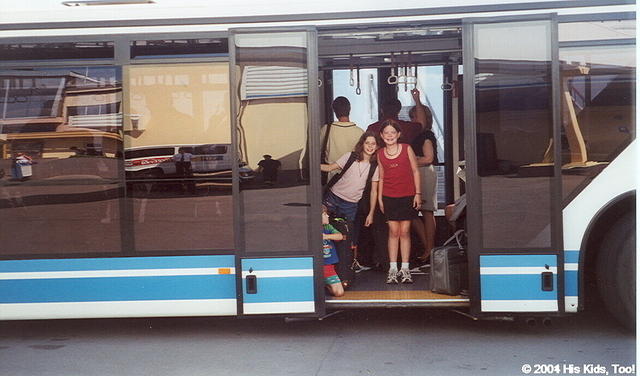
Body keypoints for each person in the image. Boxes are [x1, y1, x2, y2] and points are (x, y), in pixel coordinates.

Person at [321, 132, 380, 287]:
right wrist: (309, 166)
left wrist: (371, 213)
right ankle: (325, 267)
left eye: (373, 144)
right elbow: (329, 168)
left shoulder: (375, 167)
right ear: (362, 144)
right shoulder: (350, 157)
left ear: (377, 147)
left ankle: (346, 271)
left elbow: (374, 191)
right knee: (324, 229)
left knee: (348, 239)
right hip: (333, 198)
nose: (370, 146)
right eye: (367, 143)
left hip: (350, 205)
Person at [377, 120, 421, 284]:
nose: (389, 135)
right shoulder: (380, 153)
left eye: (392, 132)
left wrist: (418, 193)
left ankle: (405, 268)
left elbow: (416, 171)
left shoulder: (406, 149)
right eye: (386, 133)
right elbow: (381, 177)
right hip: (389, 197)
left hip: (408, 195)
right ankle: (393, 268)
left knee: (405, 231)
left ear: (398, 135)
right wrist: (381, 198)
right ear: (381, 135)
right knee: (393, 232)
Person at [409, 104, 438, 263]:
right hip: (418, 173)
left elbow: (428, 158)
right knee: (412, 212)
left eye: (416, 117)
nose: (414, 120)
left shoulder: (426, 135)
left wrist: (411, 161)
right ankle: (428, 246)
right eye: (412, 117)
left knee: (426, 211)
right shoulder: (416, 136)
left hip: (425, 173)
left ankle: (430, 248)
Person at [320, 97, 364, 180]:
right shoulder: (360, 132)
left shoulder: (326, 130)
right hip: (353, 176)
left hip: (331, 176)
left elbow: (317, 150)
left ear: (334, 111)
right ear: (350, 109)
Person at [322, 206, 345, 297]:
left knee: (339, 293)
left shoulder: (328, 227)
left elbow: (340, 236)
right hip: (316, 268)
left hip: (328, 267)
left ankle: (327, 285)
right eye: (324, 214)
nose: (327, 216)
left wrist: (326, 236)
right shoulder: (309, 228)